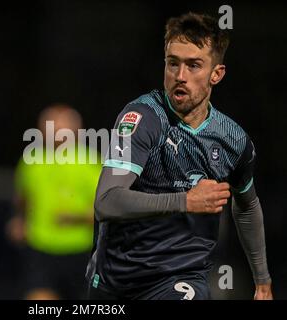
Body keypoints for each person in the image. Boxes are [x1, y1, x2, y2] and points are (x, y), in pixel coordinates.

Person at [86, 12, 272, 300]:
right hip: (117, 281)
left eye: (193, 65)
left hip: (182, 277)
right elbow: (107, 201)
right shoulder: (142, 118)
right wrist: (186, 201)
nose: (180, 76)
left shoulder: (233, 140)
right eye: (173, 63)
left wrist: (262, 281)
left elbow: (247, 206)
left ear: (216, 74)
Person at [7, 104, 102, 299]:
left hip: (81, 251)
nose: (57, 132)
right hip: (40, 249)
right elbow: (23, 198)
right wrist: (19, 220)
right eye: (51, 126)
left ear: (76, 130)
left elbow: (106, 211)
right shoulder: (31, 160)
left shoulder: (91, 162)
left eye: (62, 126)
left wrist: (75, 218)